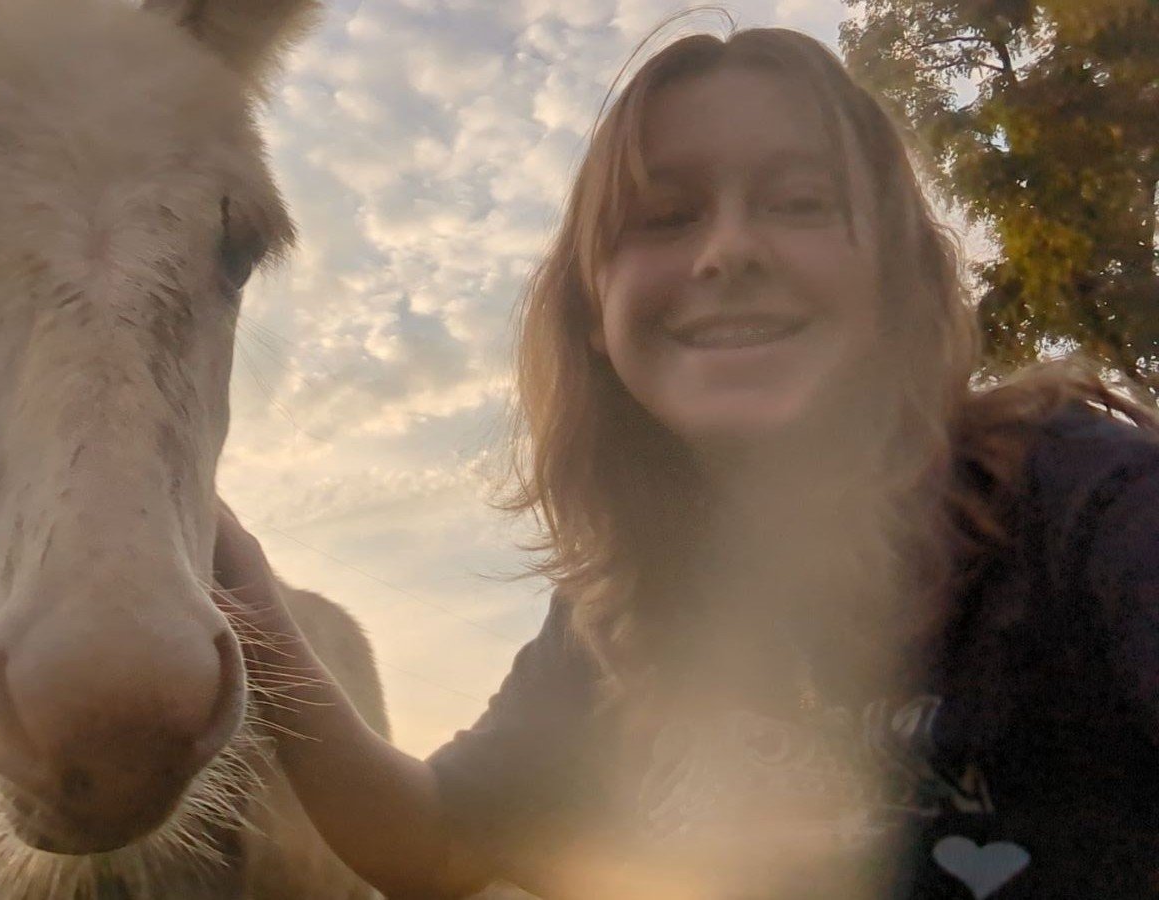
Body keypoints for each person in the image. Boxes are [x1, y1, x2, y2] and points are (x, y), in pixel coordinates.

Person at [212, 24, 1159, 900]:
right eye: (664, 217)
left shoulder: (1083, 506)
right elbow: (436, 842)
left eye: (799, 203)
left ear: (902, 276)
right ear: (590, 313)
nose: (730, 249)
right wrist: (239, 578)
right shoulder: (614, 609)